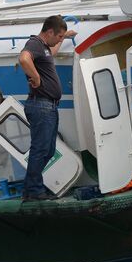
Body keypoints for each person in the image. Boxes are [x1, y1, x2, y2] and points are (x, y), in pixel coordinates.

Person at [17, 15, 76, 201]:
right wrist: (36, 78)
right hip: (41, 105)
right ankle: (34, 191)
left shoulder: (44, 48)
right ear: (49, 32)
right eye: (58, 36)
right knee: (40, 149)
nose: (59, 40)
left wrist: (65, 37)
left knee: (48, 150)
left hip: (48, 106)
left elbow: (53, 51)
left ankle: (29, 189)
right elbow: (24, 59)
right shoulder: (35, 44)